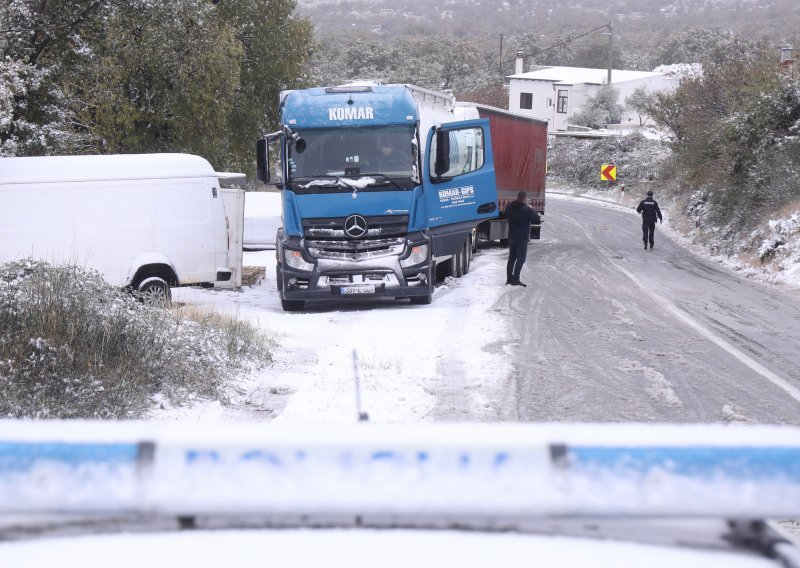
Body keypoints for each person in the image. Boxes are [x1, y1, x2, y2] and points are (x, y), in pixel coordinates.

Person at [505, 191, 541, 287]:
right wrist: (533, 211)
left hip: (511, 236)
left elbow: (506, 215)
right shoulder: (526, 209)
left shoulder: (509, 207)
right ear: (524, 198)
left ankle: (509, 278)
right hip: (522, 238)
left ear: (517, 197)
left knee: (512, 258)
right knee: (521, 258)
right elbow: (536, 219)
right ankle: (515, 279)